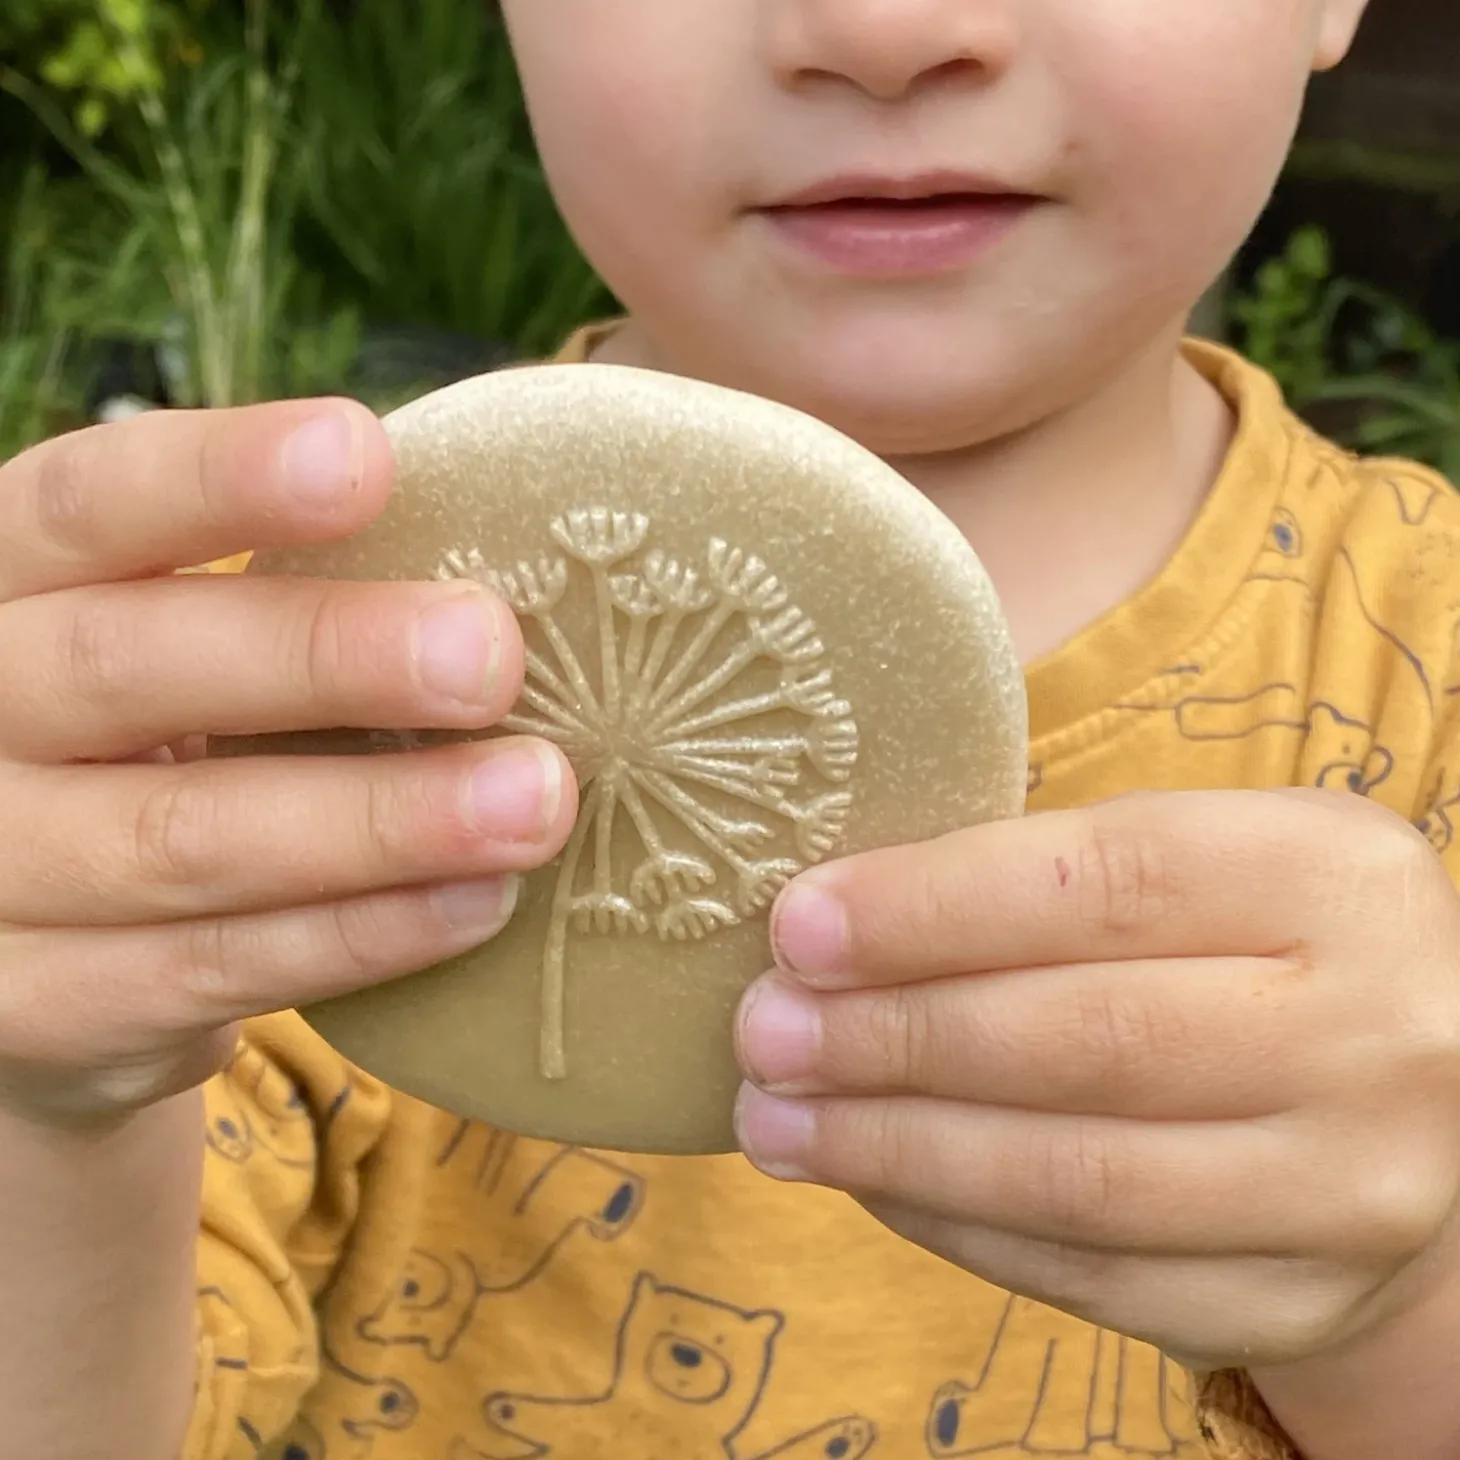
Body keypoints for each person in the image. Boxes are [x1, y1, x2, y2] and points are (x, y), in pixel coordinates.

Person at [5, 1, 1460, 1456]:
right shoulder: (215, 739)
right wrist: (45, 1108)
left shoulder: (1427, 668)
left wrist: (1409, 1301)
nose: (885, 30)